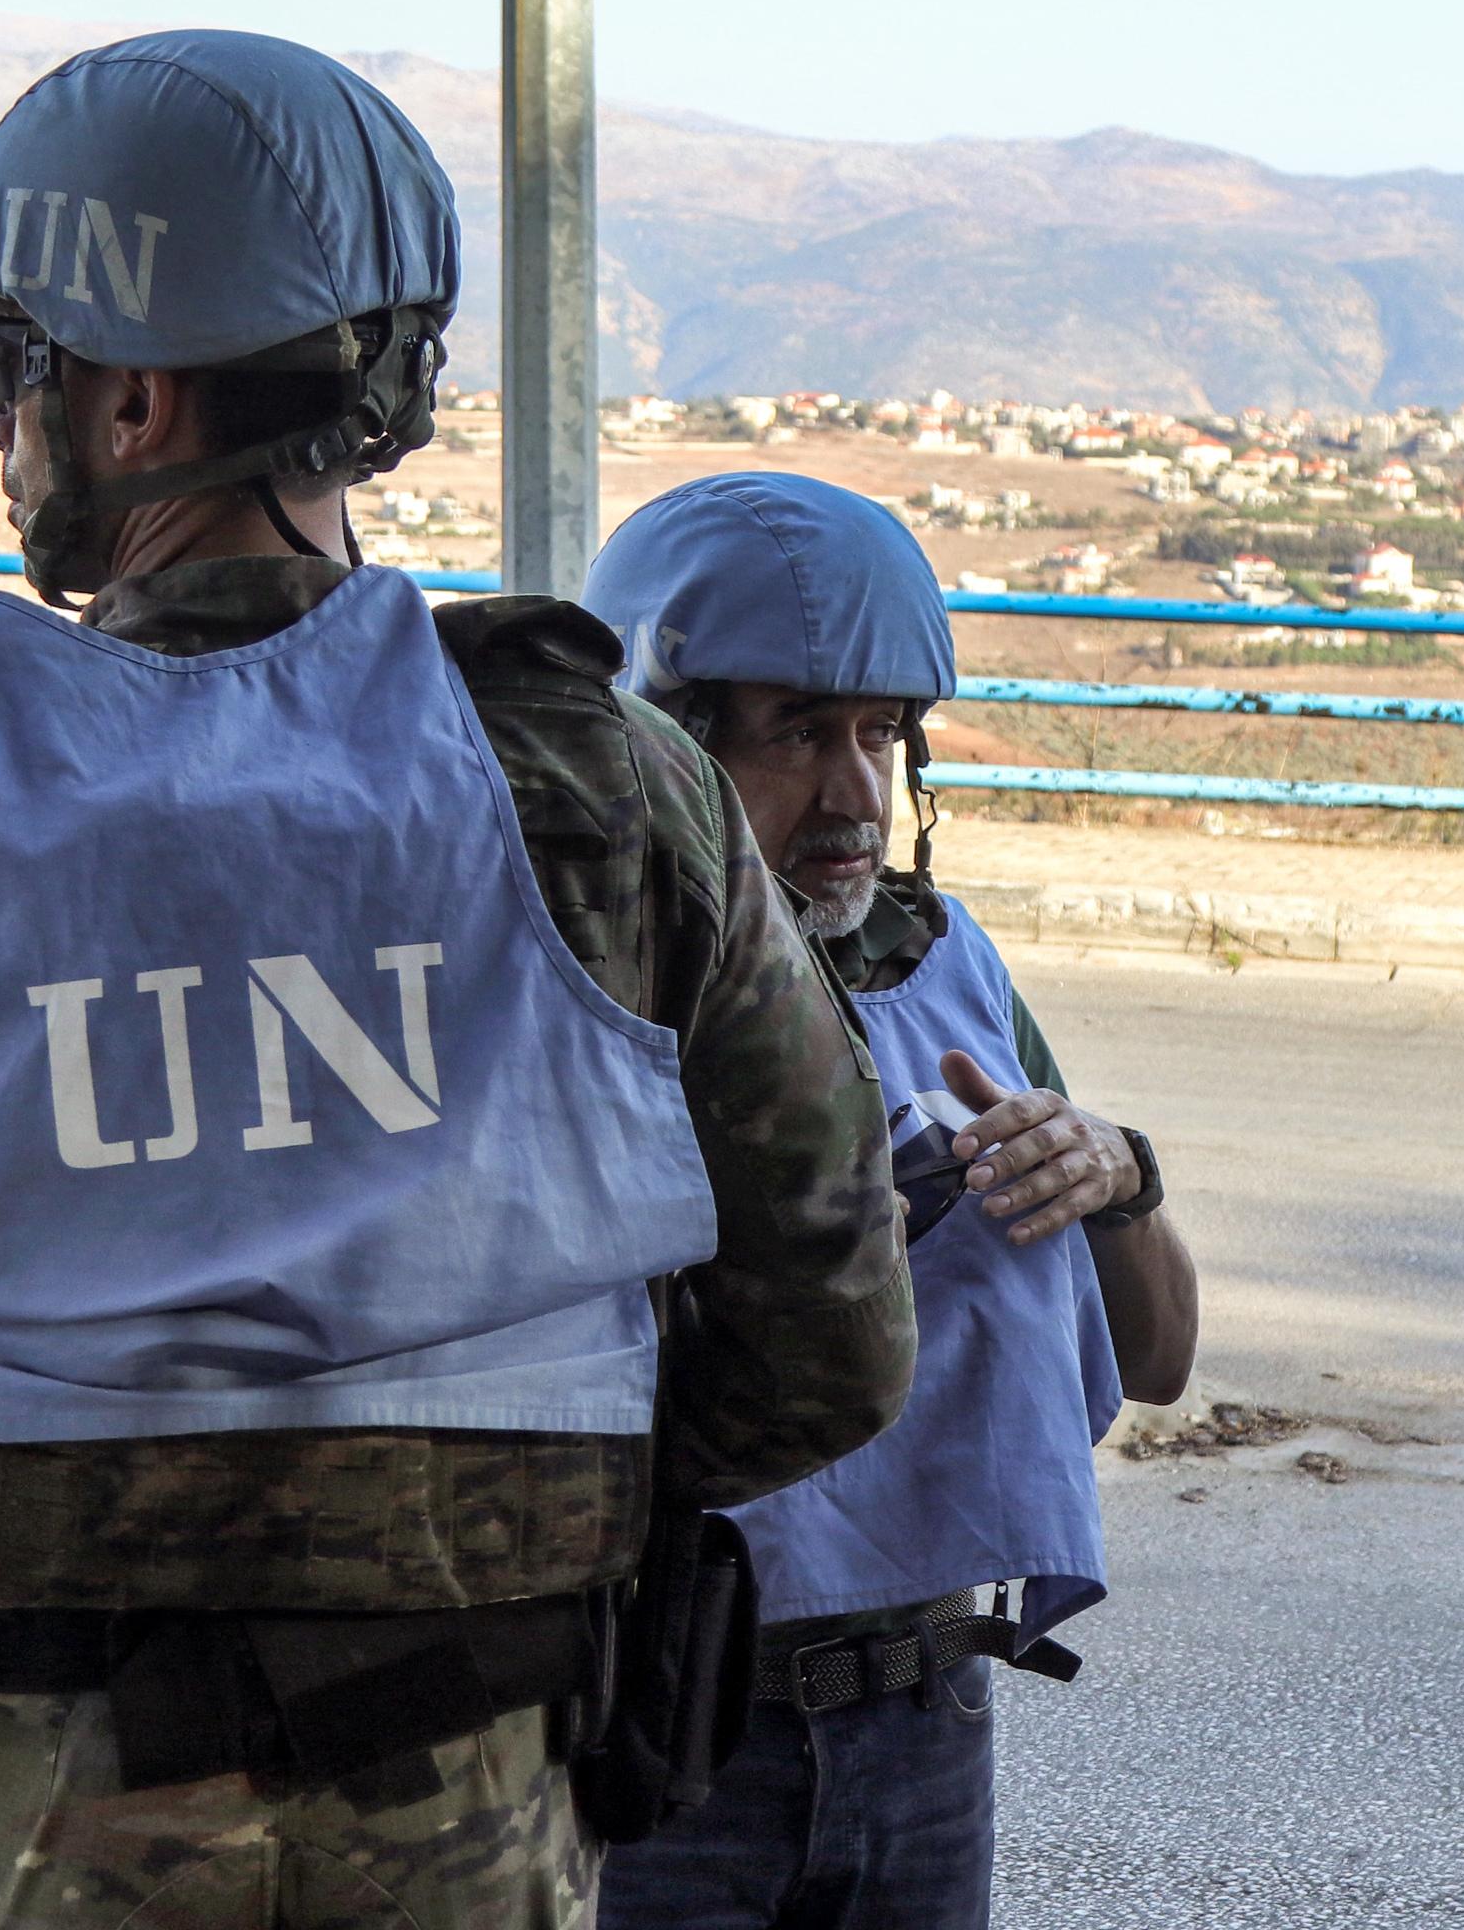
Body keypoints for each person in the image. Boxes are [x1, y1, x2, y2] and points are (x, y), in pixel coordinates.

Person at [0, 34, 913, 1930]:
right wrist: (497, 1530)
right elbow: (833, 1330)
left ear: (125, 402)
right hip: (495, 1797)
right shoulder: (616, 788)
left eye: (7, 366)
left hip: (35, 1799)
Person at [576, 473, 1202, 1930]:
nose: (855, 793)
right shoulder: (586, 993)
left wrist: (1118, 1172)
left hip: (925, 1722)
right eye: (798, 733)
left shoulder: (943, 970)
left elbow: (1162, 1358)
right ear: (666, 751)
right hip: (667, 1729)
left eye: (879, 734)